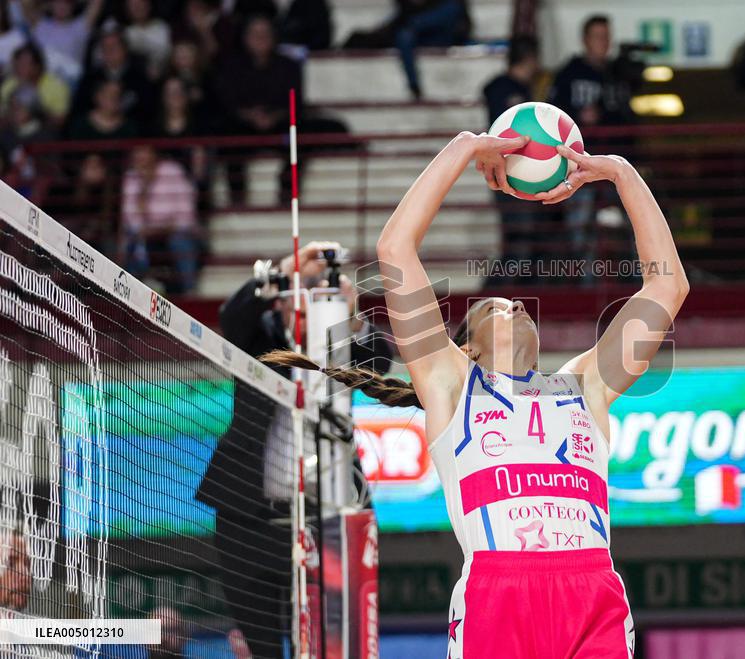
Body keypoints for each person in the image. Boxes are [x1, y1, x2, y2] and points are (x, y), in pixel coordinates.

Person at [265, 131, 688, 657]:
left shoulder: (585, 385)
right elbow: (395, 248)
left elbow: (665, 287)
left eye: (519, 304)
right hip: (497, 591)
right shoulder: (452, 385)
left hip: (590, 584)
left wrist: (620, 171)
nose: (514, 305)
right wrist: (466, 146)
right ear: (466, 348)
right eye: (495, 305)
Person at [196, 241, 392, 659]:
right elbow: (232, 315)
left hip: (323, 517)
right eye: (298, 295)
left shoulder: (339, 347)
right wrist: (287, 269)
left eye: (317, 296)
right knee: (261, 645)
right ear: (283, 300)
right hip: (248, 518)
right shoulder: (259, 337)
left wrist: (351, 317)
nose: (304, 306)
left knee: (323, 640)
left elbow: (381, 360)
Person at [549, 15, 634, 282]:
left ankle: (638, 283)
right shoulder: (569, 73)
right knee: (581, 229)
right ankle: (585, 285)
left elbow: (629, 117)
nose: (604, 42)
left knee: (635, 220)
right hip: (579, 165)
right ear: (585, 40)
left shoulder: (618, 74)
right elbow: (551, 115)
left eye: (607, 36)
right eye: (598, 36)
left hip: (615, 164)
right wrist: (577, 115)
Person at [215, 14, 300, 204]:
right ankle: (237, 196)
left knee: (300, 138)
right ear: (245, 38)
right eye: (255, 34)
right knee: (228, 138)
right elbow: (227, 102)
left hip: (280, 126)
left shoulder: (289, 66)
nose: (261, 39)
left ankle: (287, 192)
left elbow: (296, 102)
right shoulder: (232, 66)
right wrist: (249, 116)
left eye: (265, 34)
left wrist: (274, 117)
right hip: (243, 127)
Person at [481, 35, 545, 286]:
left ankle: (497, 296)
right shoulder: (501, 89)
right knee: (518, 240)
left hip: (518, 171)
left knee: (523, 241)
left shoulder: (521, 90)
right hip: (507, 171)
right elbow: (503, 132)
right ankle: (491, 295)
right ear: (528, 59)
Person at [120, 144, 199, 293]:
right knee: (130, 243)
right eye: (138, 158)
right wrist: (144, 190)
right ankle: (128, 293)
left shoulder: (173, 172)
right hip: (145, 233)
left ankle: (190, 292)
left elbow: (187, 213)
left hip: (174, 230)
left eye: (145, 156)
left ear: (154, 155)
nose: (142, 161)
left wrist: (166, 228)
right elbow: (130, 218)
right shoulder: (131, 178)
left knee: (182, 242)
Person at [23, 0, 105, 88]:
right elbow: (25, 3)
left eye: (66, 2)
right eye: (57, 2)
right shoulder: (40, 24)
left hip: (71, 83)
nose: (62, 7)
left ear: (72, 6)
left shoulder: (80, 26)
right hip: (42, 83)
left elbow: (97, 3)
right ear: (50, 4)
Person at [0, 43, 70, 128]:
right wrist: (13, 114)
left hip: (44, 134)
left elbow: (60, 121)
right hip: (13, 134)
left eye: (23, 65)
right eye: (16, 65)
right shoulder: (8, 85)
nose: (18, 69)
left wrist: (34, 113)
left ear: (37, 67)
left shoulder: (56, 86)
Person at [122, 0, 172, 79]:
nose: (138, 8)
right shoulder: (126, 33)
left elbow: (168, 53)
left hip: (165, 74)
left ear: (148, 5)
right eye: (133, 5)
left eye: (141, 4)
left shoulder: (161, 27)